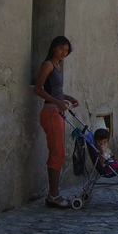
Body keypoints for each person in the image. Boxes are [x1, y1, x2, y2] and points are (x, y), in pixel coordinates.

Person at [34, 36, 80, 208]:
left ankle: (54, 193)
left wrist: (67, 98)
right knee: (57, 153)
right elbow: (38, 89)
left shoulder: (57, 67)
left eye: (67, 50)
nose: (64, 52)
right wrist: (58, 103)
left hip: (57, 111)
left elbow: (54, 90)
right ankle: (53, 195)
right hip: (51, 111)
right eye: (61, 48)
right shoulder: (48, 65)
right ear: (54, 48)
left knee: (59, 153)